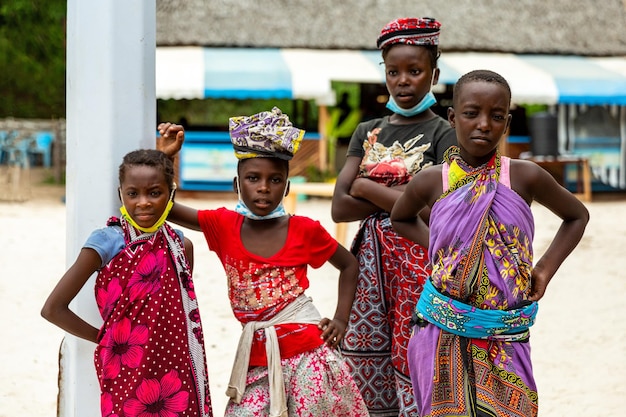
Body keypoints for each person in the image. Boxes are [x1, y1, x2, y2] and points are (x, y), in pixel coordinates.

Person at [390, 69, 589, 417]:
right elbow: (400, 217)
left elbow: (576, 216)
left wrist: (544, 269)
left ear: (507, 122)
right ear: (452, 118)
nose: (483, 124)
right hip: (440, 328)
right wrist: (441, 252)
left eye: (496, 116)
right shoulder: (431, 180)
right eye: (471, 113)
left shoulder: (524, 176)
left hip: (505, 332)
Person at [157, 107, 369, 417]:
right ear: (236, 184)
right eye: (253, 178)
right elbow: (165, 206)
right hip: (256, 357)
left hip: (309, 357)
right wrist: (166, 158)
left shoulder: (305, 229)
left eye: (275, 179)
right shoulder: (222, 226)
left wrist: (340, 319)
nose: (264, 187)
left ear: (286, 187)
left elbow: (349, 265)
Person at [330, 16, 457, 416]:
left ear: (434, 74)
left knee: (416, 349)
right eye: (393, 72)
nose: (403, 81)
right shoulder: (369, 130)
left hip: (419, 253)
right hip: (370, 261)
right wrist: (400, 193)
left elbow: (434, 207)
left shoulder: (445, 133)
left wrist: (366, 187)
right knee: (368, 351)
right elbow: (339, 206)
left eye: (415, 71)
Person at [41, 149, 212, 416]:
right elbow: (53, 309)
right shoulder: (107, 241)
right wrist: (106, 339)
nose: (143, 202)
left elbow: (179, 312)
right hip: (125, 370)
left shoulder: (181, 245)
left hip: (176, 370)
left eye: (154, 192)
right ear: (121, 194)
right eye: (133, 194)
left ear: (171, 195)